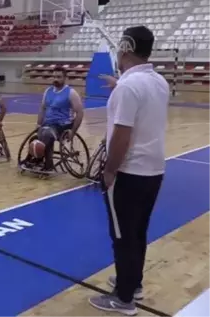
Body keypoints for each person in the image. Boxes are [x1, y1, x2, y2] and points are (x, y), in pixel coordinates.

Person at [88, 26, 168, 316]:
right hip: (153, 172)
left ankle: (123, 300)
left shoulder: (128, 88)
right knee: (137, 232)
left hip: (129, 173)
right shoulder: (158, 82)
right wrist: (118, 85)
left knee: (122, 236)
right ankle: (132, 283)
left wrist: (109, 171)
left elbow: (121, 135)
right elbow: (136, 94)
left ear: (125, 46)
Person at [24, 67, 84, 171]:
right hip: (48, 124)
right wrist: (38, 124)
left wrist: (73, 131)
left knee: (47, 135)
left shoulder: (71, 92)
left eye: (59, 77)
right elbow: (42, 108)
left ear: (65, 78)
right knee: (34, 138)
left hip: (63, 125)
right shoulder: (48, 91)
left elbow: (80, 113)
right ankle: (33, 159)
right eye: (54, 76)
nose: (56, 79)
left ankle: (48, 165)